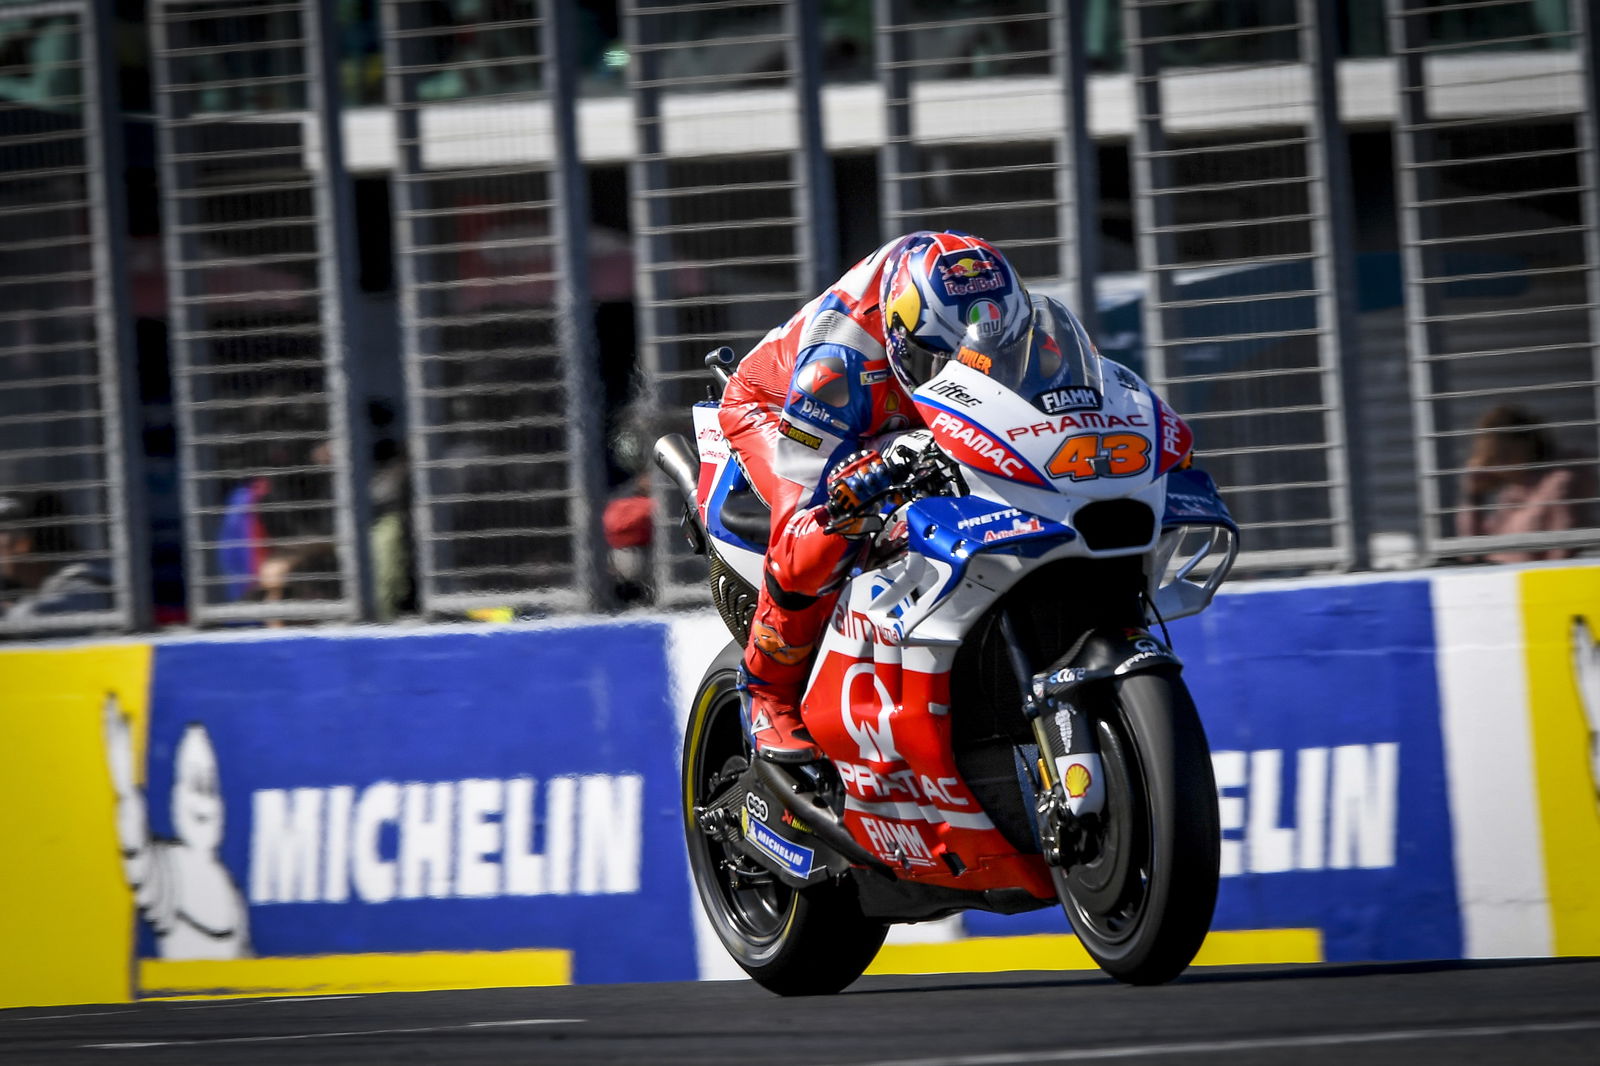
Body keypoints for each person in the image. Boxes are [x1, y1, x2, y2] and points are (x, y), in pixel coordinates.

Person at [718, 230, 1033, 762]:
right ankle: (765, 691)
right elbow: (795, 536)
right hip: (784, 408)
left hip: (903, 408)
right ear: (902, 338)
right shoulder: (835, 368)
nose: (966, 376)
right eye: (943, 363)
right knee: (820, 538)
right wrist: (870, 479)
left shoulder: (1005, 316)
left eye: (988, 358)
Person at [1456, 404, 1595, 563]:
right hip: (1500, 578)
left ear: (1527, 443)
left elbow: (1564, 549)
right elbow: (1472, 552)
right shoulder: (1511, 492)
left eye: (1504, 455)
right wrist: (1474, 497)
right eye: (1492, 459)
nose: (1498, 466)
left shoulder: (1559, 483)